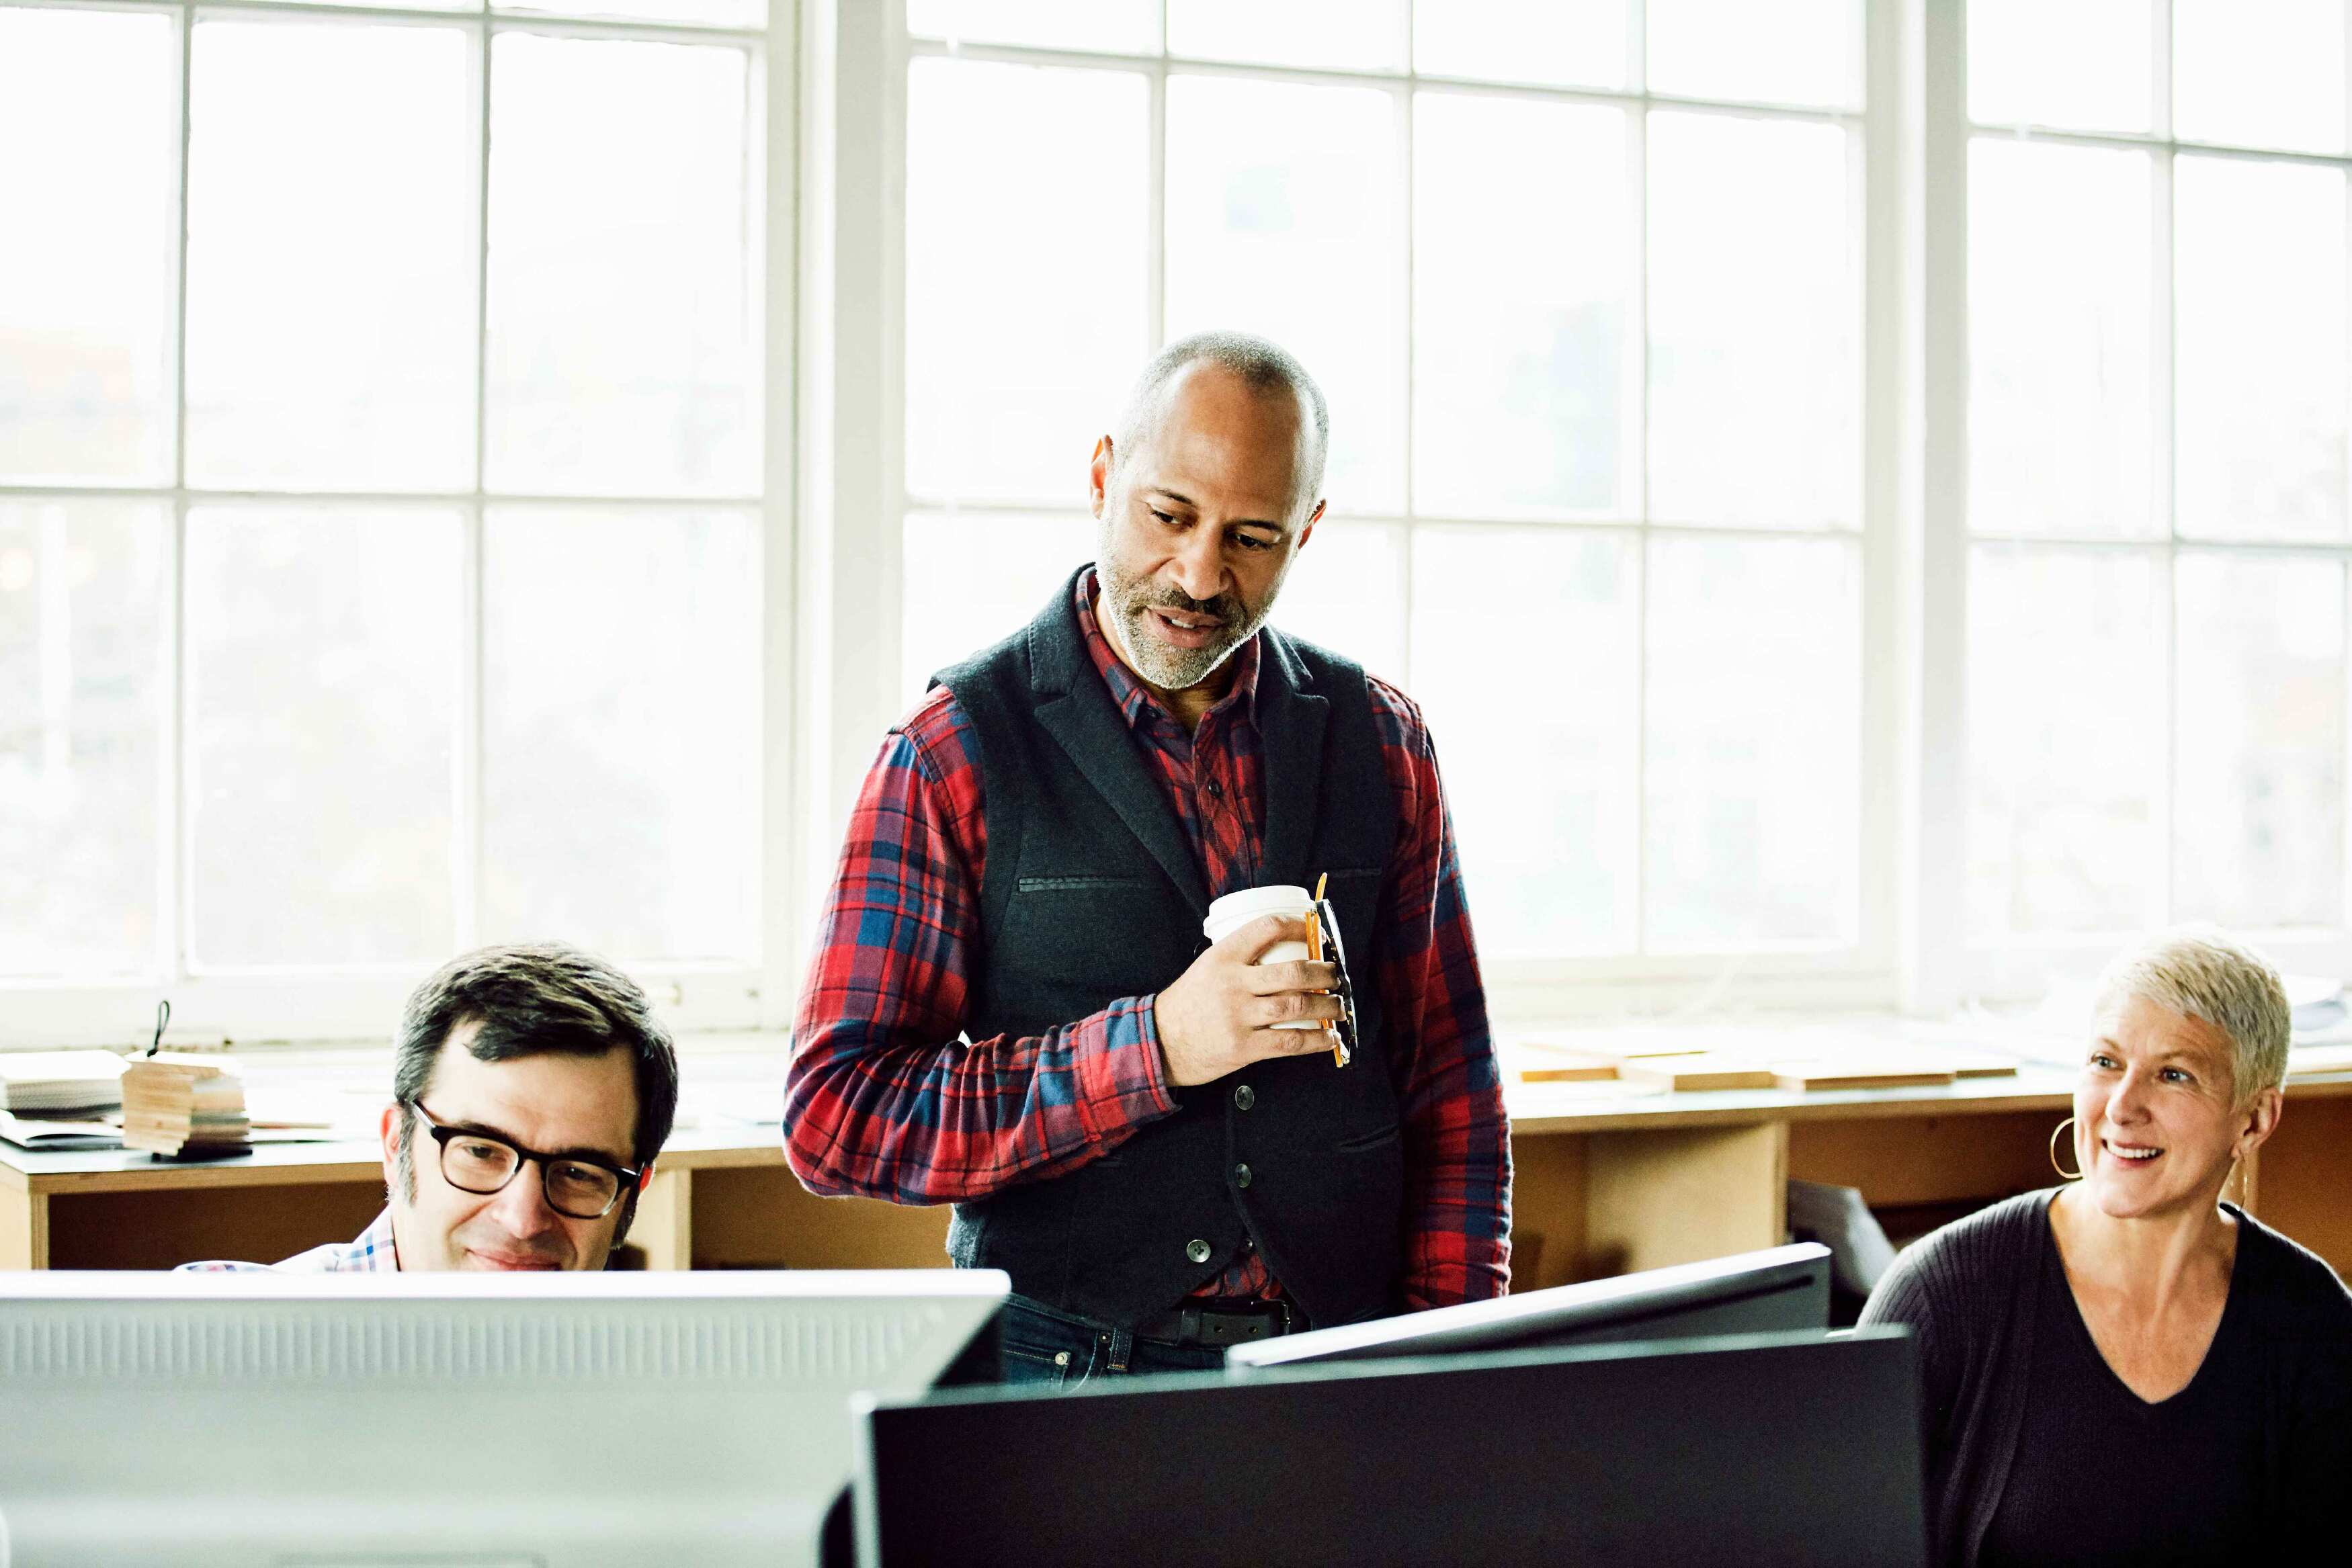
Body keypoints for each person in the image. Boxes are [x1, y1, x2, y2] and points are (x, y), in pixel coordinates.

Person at [786, 331, 1510, 1382]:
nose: (1200, 571)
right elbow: (836, 1118)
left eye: (1252, 536)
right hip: (1064, 1377)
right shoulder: (952, 751)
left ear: (1306, 532)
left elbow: (1454, 1096)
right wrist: (1157, 1046)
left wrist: (1452, 1366)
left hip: (1342, 1376)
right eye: (1170, 515)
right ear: (1101, 477)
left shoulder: (1385, 742)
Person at [1860, 926, 2352, 1565]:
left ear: (2254, 1119)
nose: (2122, 1106)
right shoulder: (1943, 1296)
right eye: (2105, 1062)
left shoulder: (2310, 1323)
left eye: (2173, 1075)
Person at [182, 943, 679, 1272]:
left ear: (634, 1193)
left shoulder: (679, 1391)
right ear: (396, 1145)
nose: (524, 1219)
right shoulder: (201, 1344)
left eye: (577, 1172)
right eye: (481, 1152)